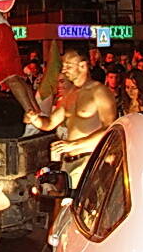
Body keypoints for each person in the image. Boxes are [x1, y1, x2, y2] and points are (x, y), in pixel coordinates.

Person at [24, 47, 116, 185]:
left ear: (83, 66)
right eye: (63, 65)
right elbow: (49, 123)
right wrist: (35, 119)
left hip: (89, 160)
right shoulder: (69, 94)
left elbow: (110, 129)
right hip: (68, 162)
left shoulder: (100, 92)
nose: (64, 70)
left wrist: (74, 144)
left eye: (69, 66)